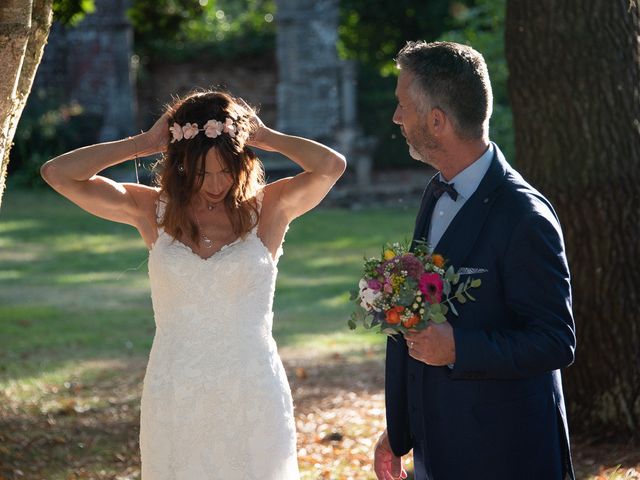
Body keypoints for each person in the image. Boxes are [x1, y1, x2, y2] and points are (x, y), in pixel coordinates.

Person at [41, 89, 346, 479]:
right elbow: (57, 174)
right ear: (182, 164)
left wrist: (264, 135)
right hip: (175, 388)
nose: (215, 183)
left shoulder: (269, 208)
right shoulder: (153, 210)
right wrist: (143, 143)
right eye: (203, 172)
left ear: (243, 162)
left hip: (249, 388)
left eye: (225, 170)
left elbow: (331, 166)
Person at [373, 41, 576, 480]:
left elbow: (556, 340)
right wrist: (401, 430)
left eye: (402, 106)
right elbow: (424, 314)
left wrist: (459, 348)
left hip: (506, 455)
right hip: (438, 450)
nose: (396, 118)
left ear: (437, 121)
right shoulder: (436, 191)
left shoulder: (524, 216)